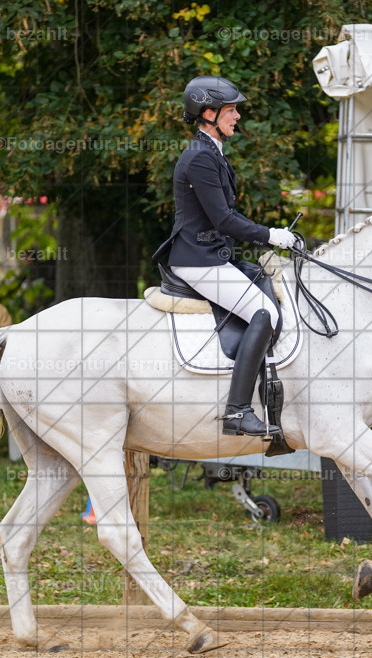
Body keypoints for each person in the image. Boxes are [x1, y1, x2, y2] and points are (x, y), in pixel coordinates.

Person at [158, 75, 297, 438]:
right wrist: (271, 235)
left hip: (211, 254)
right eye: (231, 110)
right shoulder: (200, 157)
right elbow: (223, 219)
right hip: (197, 260)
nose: (237, 116)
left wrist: (265, 238)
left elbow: (223, 219)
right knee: (263, 313)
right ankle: (237, 411)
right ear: (209, 113)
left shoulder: (211, 152)